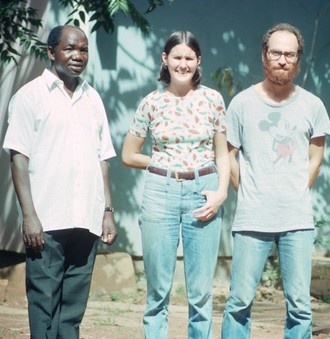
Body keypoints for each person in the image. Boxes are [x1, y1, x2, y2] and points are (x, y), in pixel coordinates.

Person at [2, 25, 118, 339]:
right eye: (69, 48)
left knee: (72, 311)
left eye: (83, 49)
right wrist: (29, 216)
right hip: (47, 220)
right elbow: (19, 158)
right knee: (43, 305)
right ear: (52, 52)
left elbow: (102, 159)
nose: (77, 56)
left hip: (86, 218)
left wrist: (107, 210)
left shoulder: (92, 98)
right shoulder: (29, 96)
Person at [221, 23, 330, 338]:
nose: (283, 59)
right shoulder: (242, 103)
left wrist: (298, 190)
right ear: (264, 56)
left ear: (298, 60)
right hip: (251, 217)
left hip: (296, 218)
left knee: (299, 304)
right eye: (276, 53)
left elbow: (316, 157)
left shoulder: (313, 105)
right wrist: (245, 191)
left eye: (290, 54)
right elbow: (228, 155)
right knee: (239, 301)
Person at [121, 31, 229, 338]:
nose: (183, 64)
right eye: (177, 57)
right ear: (165, 59)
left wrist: (221, 193)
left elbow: (222, 153)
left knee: (200, 292)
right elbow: (129, 155)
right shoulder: (151, 102)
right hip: (160, 193)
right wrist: (160, 163)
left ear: (198, 62)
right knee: (158, 291)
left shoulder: (212, 100)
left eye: (189, 58)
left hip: (203, 191)